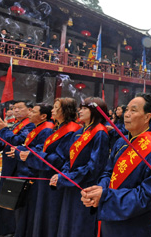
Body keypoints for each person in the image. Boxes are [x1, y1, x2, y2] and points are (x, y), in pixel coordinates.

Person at [80, 93, 151, 236]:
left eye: (133, 110)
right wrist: (99, 190)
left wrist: (106, 196)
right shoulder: (121, 142)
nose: (127, 114)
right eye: (126, 110)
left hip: (134, 223)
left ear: (147, 117)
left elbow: (147, 196)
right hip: (109, 214)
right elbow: (108, 172)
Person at [50, 97, 109, 237]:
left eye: (84, 108)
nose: (80, 111)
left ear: (95, 111)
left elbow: (94, 167)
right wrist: (61, 174)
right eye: (80, 108)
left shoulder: (100, 133)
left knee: (80, 225)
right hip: (71, 183)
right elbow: (68, 158)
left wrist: (66, 177)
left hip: (85, 186)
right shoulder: (80, 131)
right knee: (67, 222)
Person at [22, 98, 81, 237]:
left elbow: (60, 159)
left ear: (66, 111)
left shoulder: (72, 130)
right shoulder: (58, 127)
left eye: (56, 108)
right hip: (45, 175)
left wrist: (34, 156)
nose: (52, 111)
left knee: (52, 212)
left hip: (55, 177)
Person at [0, 101, 35, 237]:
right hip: (9, 164)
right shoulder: (17, 124)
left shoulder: (30, 125)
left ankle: (12, 231)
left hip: (18, 167)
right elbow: (7, 142)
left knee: (12, 200)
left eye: (20, 108)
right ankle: (6, 230)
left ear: (30, 110)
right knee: (5, 200)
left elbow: (18, 141)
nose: (16, 110)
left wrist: (4, 129)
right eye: (14, 108)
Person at [8, 104, 55, 236]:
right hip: (25, 169)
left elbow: (39, 151)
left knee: (28, 208)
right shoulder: (38, 127)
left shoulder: (47, 129)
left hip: (32, 173)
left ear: (43, 116)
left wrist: (20, 152)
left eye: (33, 111)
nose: (30, 113)